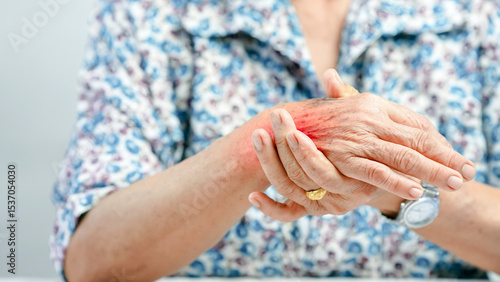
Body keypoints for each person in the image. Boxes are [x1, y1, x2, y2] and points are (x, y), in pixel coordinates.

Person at [50, 0, 500, 280]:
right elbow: (94, 264)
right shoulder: (149, 11)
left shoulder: (477, 14)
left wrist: (391, 183)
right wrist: (270, 141)